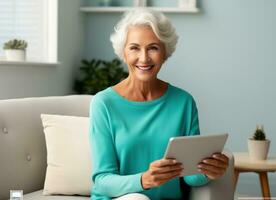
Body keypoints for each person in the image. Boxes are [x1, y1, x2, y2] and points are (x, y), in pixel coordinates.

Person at [89, 8, 229, 200]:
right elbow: (102, 181)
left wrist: (208, 171)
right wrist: (144, 180)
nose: (144, 58)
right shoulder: (103, 104)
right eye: (135, 48)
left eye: (153, 48)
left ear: (165, 53)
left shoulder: (183, 103)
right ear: (123, 52)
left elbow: (191, 176)